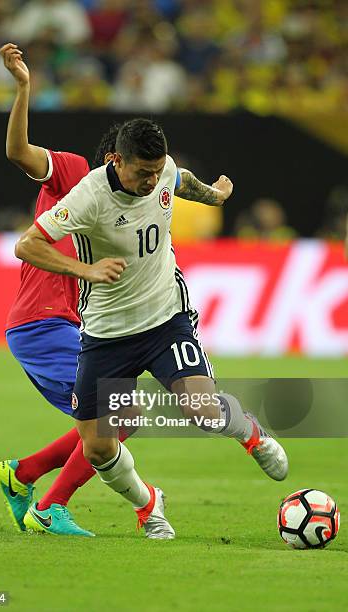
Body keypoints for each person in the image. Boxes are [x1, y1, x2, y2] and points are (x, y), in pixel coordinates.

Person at [15, 117, 289, 540]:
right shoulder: (89, 196)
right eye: (142, 172)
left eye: (156, 170)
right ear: (115, 161)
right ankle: (149, 508)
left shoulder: (162, 171)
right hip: (107, 334)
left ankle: (251, 434)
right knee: (98, 446)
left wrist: (214, 196)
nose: (151, 180)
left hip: (166, 318)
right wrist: (85, 268)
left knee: (200, 408)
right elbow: (27, 244)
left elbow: (182, 181)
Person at [0, 43, 128, 537]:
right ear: (114, 161)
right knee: (118, 413)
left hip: (65, 326)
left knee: (106, 419)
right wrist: (24, 87)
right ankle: (49, 505)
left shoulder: (123, 215)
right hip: (40, 323)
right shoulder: (75, 175)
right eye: (138, 167)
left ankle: (22, 474)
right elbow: (17, 153)